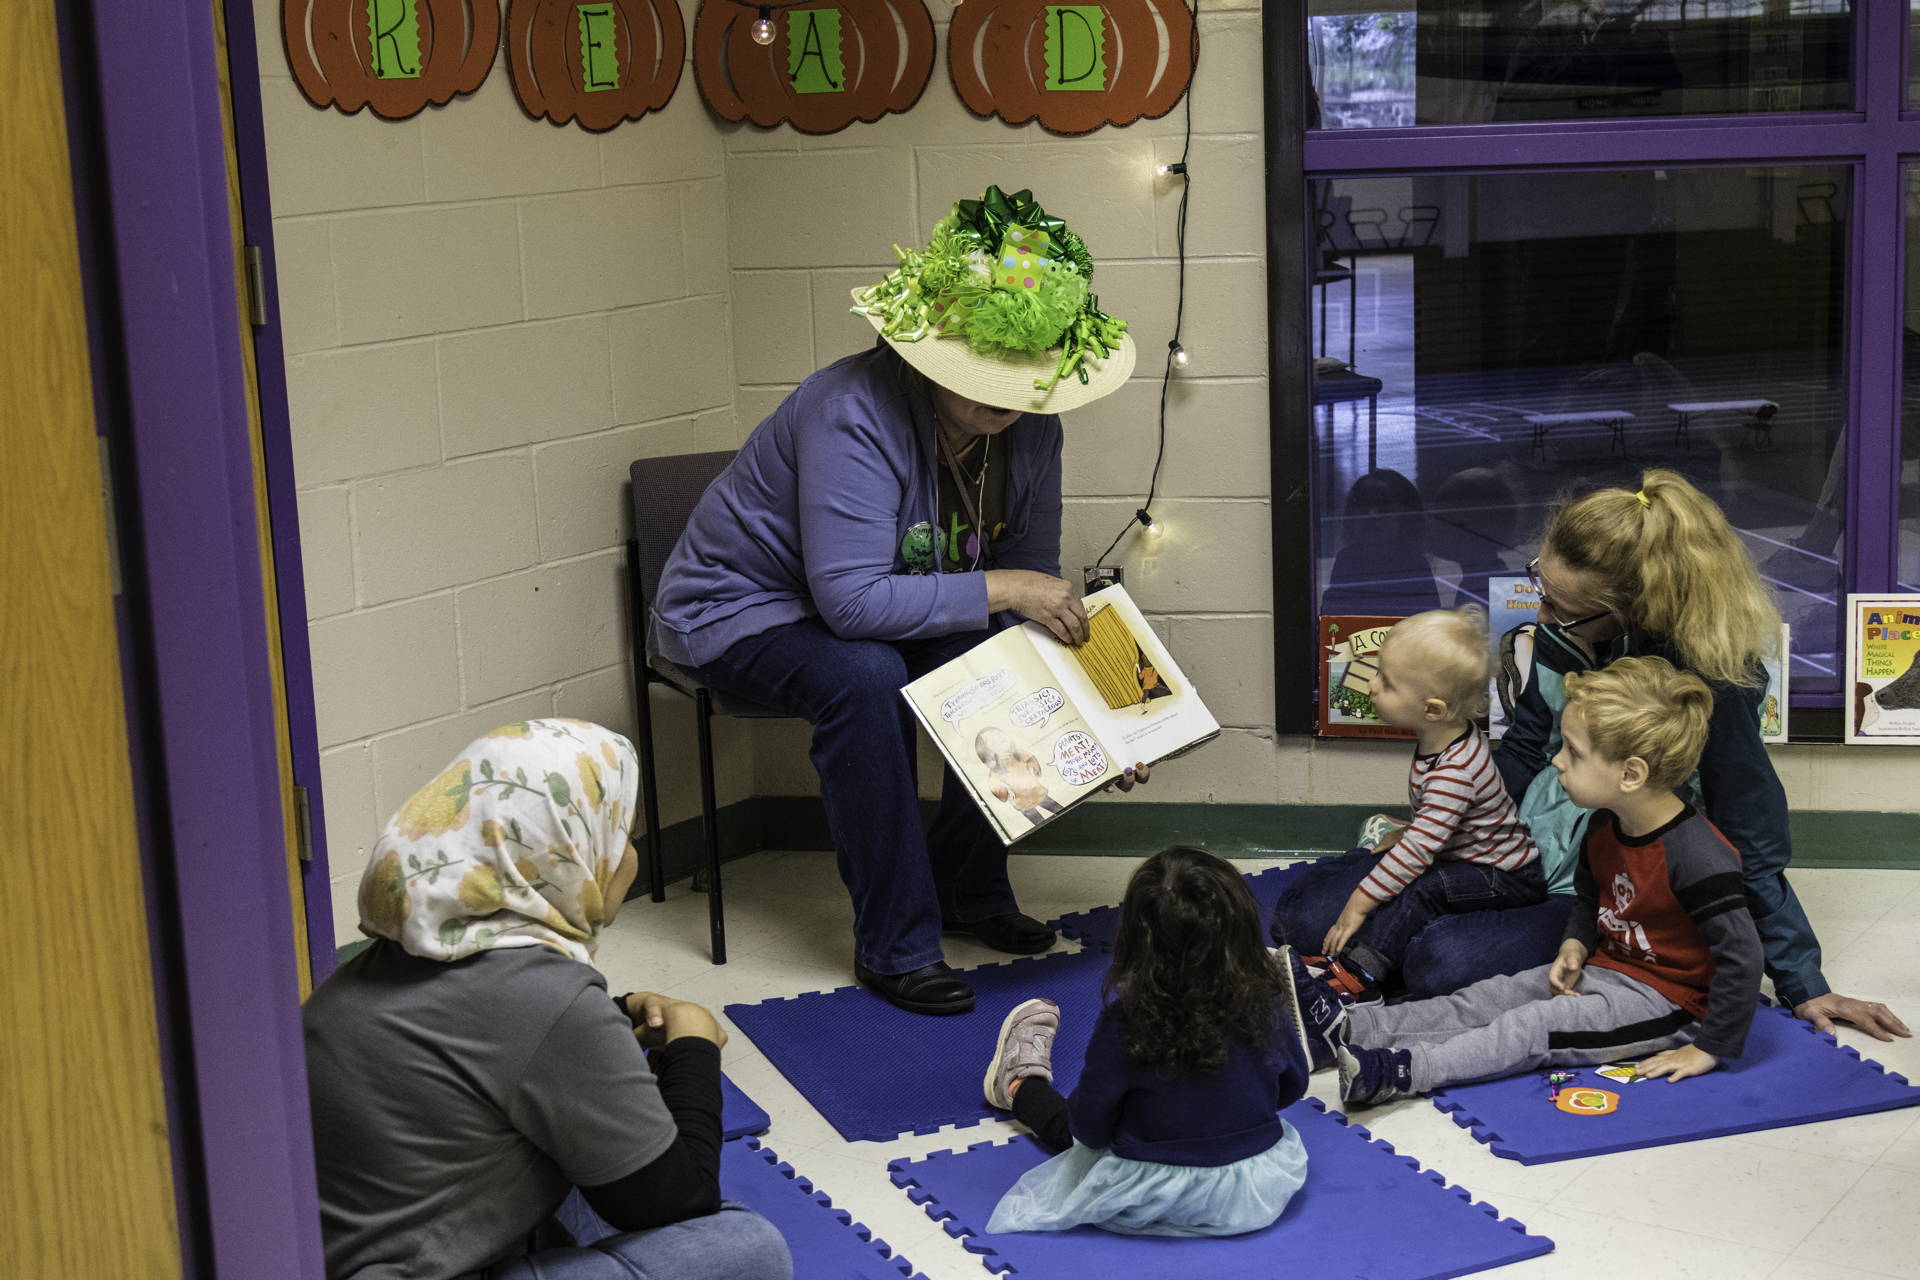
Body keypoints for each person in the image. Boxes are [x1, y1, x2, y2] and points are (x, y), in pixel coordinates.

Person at [650, 186, 1145, 1016]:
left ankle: (970, 888)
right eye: (988, 373)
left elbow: (1019, 594)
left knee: (993, 655)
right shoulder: (850, 409)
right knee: (865, 675)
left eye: (1026, 380)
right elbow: (849, 607)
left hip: (876, 601)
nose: (1010, 398)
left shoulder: (1036, 430)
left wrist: (1097, 723)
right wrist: (1012, 589)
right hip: (741, 609)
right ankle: (896, 944)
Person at [1275, 470, 1910, 1042]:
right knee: (1303, 914)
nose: (1541, 614)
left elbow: (1753, 831)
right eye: (1539, 585)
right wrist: (1444, 832)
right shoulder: (1568, 630)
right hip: (1518, 852)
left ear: (1627, 609)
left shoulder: (1712, 677)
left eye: (1560, 607)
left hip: (1600, 885)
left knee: (1438, 964)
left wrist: (1804, 982)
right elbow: (1524, 746)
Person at [302, 719, 791, 1280]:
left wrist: (616, 1009)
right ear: (565, 852)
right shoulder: (550, 1003)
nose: (629, 857)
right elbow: (682, 1201)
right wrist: (695, 1046)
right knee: (747, 1249)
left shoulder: (376, 965)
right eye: (621, 836)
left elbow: (476, 1036)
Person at [1299, 658, 1763, 1105]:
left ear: (1631, 774)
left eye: (1574, 753)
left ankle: (1401, 1071)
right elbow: (1590, 897)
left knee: (1532, 1027)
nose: (1557, 762)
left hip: (1669, 1005)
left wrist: (1711, 1045)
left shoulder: (1699, 856)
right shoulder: (1605, 825)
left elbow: (1743, 956)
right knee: (1488, 998)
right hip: (1606, 969)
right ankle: (1345, 1031)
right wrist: (1576, 944)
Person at [978, 847, 1312, 1237]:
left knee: (1067, 1120)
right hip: (1253, 1190)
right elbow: (1293, 1086)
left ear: (1137, 942)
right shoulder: (1267, 1002)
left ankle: (1018, 1084)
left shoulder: (1126, 1022)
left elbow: (1088, 1128)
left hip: (1150, 1194)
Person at [1290, 607, 1545, 1003]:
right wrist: (1413, 830)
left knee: (1422, 888)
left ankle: (1361, 974)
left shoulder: (1454, 770)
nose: (1372, 687)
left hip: (1504, 874)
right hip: (1469, 856)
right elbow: (1439, 824)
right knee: (1398, 876)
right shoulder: (1448, 734)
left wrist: (1360, 902)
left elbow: (1421, 850)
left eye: (1388, 683)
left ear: (1433, 710)